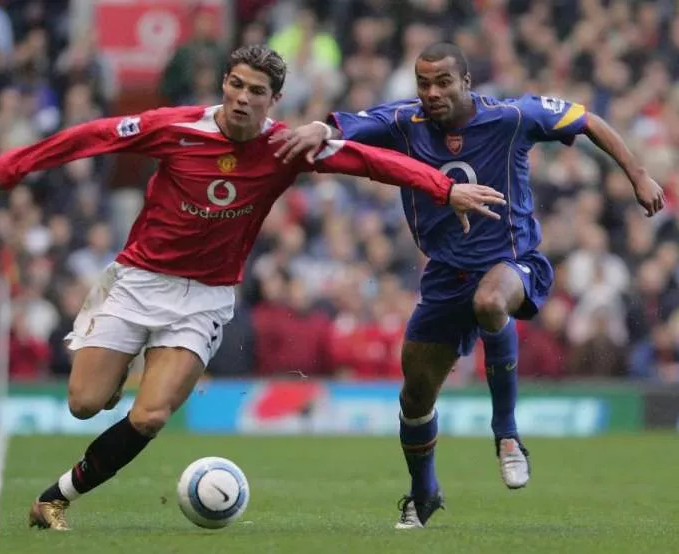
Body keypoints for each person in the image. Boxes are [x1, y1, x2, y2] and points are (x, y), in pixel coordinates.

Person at [0, 44, 505, 531]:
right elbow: (95, 136)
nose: (241, 98)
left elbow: (370, 162)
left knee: (150, 416)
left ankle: (55, 497)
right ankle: (119, 362)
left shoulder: (287, 146)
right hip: (137, 280)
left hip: (204, 298)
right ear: (223, 85)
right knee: (83, 403)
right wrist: (14, 165)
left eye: (256, 91)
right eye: (235, 85)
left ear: (274, 100)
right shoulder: (176, 126)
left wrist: (445, 188)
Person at [271, 41, 665, 529]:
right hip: (443, 276)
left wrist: (639, 175)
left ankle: (507, 434)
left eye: (443, 83)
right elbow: (342, 127)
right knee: (415, 397)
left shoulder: (512, 116)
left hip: (511, 261)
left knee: (490, 301)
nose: (432, 93)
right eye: (423, 83)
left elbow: (587, 120)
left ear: (466, 83)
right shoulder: (402, 122)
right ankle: (424, 494)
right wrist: (316, 126)